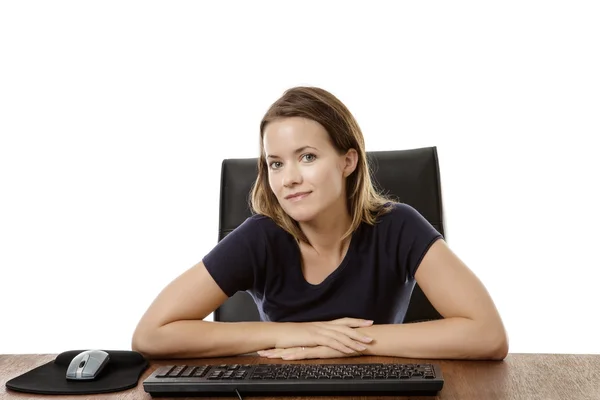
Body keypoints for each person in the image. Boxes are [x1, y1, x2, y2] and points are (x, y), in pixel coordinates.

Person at [131, 86, 509, 361]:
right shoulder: (259, 236)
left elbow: (488, 335)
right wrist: (293, 334)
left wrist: (345, 342)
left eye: (307, 157)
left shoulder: (399, 226)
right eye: (275, 163)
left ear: (348, 161)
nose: (288, 178)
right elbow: (151, 334)